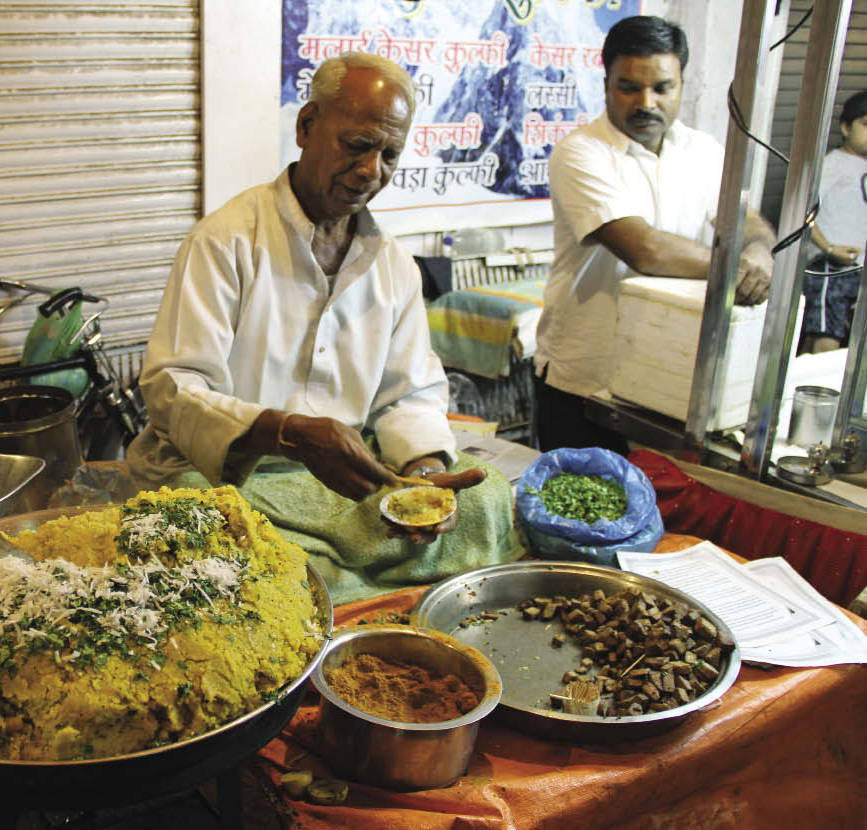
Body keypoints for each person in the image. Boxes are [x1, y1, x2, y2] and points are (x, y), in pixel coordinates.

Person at [126, 52, 521, 602]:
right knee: (222, 541)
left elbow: (409, 395)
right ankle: (343, 585)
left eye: (390, 155)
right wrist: (287, 432)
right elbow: (174, 390)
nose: (370, 171)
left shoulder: (392, 265)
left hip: (339, 479)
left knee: (488, 498)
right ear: (307, 126)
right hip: (227, 476)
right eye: (358, 145)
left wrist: (425, 472)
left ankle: (347, 582)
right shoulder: (225, 241)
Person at [534, 15, 777, 454]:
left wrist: (759, 251)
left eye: (662, 88)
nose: (646, 102)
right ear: (606, 83)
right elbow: (643, 249)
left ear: (683, 85)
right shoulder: (580, 152)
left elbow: (747, 221)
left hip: (666, 383)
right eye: (628, 87)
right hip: (585, 382)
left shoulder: (702, 151)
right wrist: (733, 266)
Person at [800, 90, 867, 354]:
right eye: (866, 124)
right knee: (826, 337)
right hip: (829, 267)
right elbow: (802, 212)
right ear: (845, 127)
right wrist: (828, 248)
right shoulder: (832, 164)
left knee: (829, 336)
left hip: (856, 269)